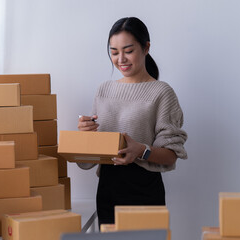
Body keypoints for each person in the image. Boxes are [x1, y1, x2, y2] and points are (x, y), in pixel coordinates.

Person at [77, 17, 188, 227]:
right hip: (108, 190)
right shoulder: (104, 90)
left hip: (144, 191)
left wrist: (140, 150)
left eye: (128, 51)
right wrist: (85, 136)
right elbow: (88, 158)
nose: (121, 59)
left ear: (146, 48)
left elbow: (172, 155)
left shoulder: (162, 93)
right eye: (114, 52)